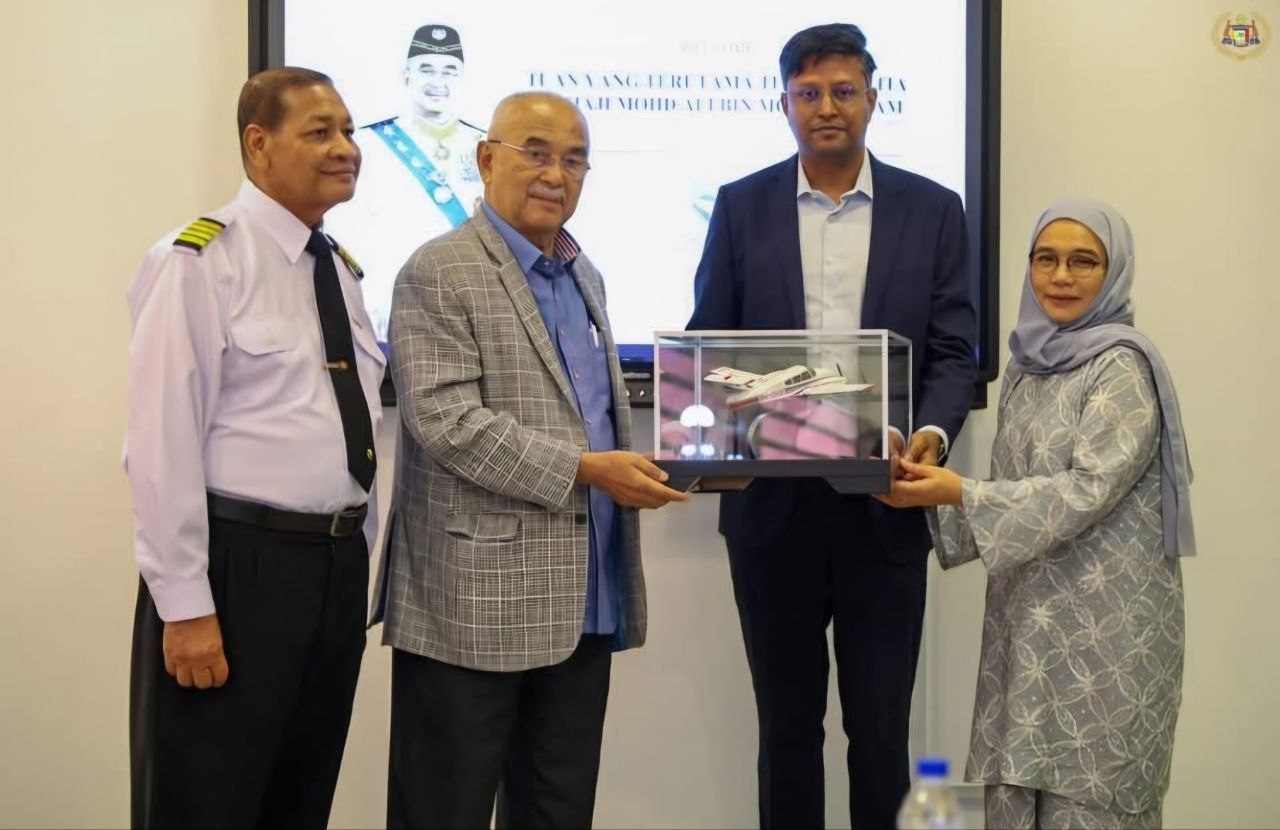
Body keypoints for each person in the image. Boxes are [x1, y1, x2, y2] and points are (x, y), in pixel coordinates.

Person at [685, 23, 977, 828]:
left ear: (872, 101)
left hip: (885, 505)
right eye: (808, 93)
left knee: (880, 731)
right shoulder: (741, 207)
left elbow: (954, 352)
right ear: (783, 103)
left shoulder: (933, 209)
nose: (826, 108)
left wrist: (932, 435)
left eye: (843, 91)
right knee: (786, 730)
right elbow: (709, 344)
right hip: (772, 511)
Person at [372, 91, 688, 829]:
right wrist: (586, 469)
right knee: (442, 811)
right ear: (486, 159)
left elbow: (591, 415)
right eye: (536, 153)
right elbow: (446, 422)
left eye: (575, 160)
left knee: (558, 812)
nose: (556, 174)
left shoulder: (584, 274)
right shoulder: (439, 270)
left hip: (581, 600)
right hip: (469, 607)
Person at [878, 199, 1194, 830]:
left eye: (1084, 262)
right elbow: (1014, 485)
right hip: (1025, 627)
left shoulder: (1122, 365)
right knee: (1014, 795)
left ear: (1114, 271)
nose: (1061, 276)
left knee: (1091, 801)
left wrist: (959, 494)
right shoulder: (1027, 365)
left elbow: (1087, 490)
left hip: (1104, 636)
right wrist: (915, 481)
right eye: (1045, 259)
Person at [125, 67, 385, 828]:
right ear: (258, 143)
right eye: (319, 132)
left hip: (332, 570)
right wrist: (184, 607)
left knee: (299, 800)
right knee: (207, 802)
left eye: (349, 131)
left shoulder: (339, 270)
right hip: (238, 569)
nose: (345, 148)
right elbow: (160, 445)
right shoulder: (200, 260)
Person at [326, 23, 485, 341]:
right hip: (387, 320)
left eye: (449, 71)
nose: (438, 81)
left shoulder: (486, 148)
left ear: (462, 78)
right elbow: (345, 237)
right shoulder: (368, 146)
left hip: (470, 320)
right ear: (406, 75)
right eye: (426, 69)